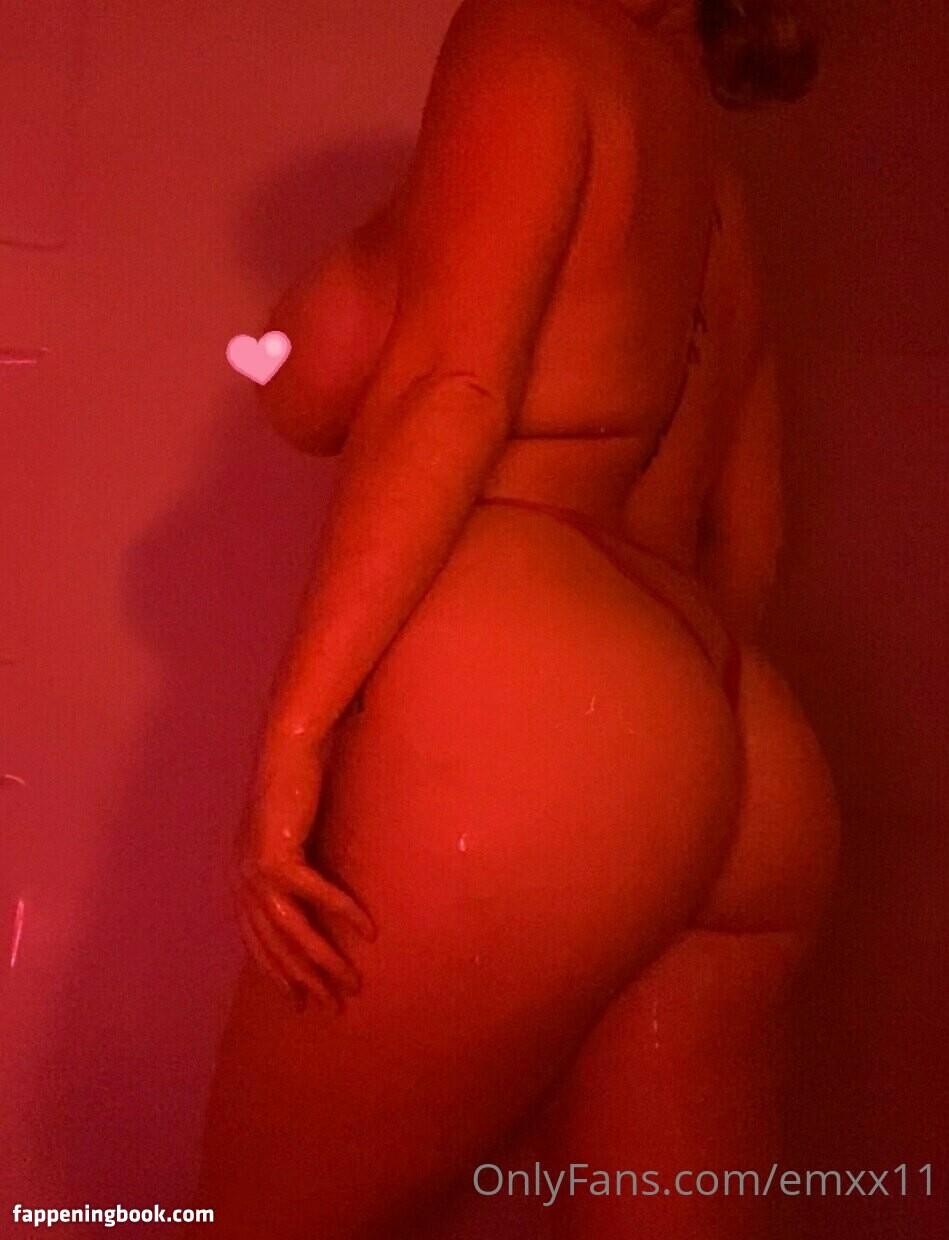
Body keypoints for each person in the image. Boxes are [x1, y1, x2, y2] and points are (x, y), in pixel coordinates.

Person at [190, 1, 840, 1236]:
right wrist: (671, 752)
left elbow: (450, 387)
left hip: (540, 696)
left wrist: (296, 733)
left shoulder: (530, 37)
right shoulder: (709, 176)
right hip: (732, 721)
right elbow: (748, 525)